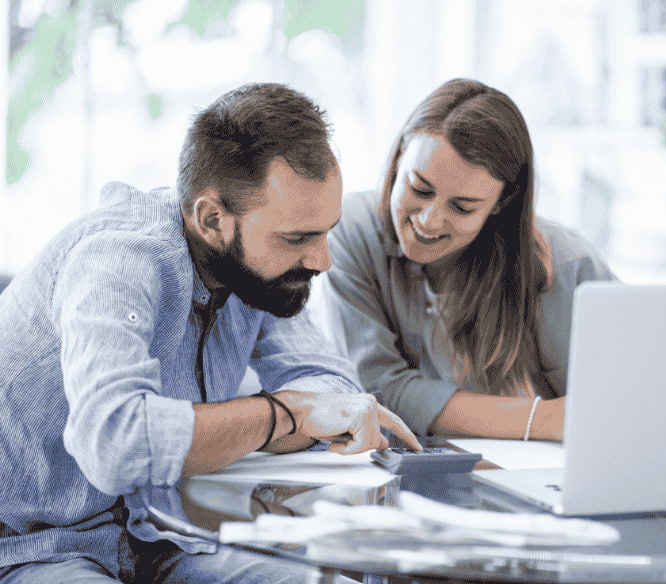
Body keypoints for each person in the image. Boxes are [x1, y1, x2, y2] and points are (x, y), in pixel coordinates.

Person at [0, 82, 420, 584]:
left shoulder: (258, 271)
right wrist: (285, 415)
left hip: (163, 534)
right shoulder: (117, 260)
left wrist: (291, 416)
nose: (322, 260)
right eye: (297, 238)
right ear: (211, 219)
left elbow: (332, 390)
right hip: (35, 547)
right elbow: (115, 444)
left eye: (327, 230)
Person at [324, 78, 617, 443]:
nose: (429, 221)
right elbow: (376, 391)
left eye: (462, 207)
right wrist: (542, 419)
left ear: (501, 202)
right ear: (399, 159)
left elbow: (622, 398)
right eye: (419, 188)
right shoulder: (350, 231)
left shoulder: (568, 264)